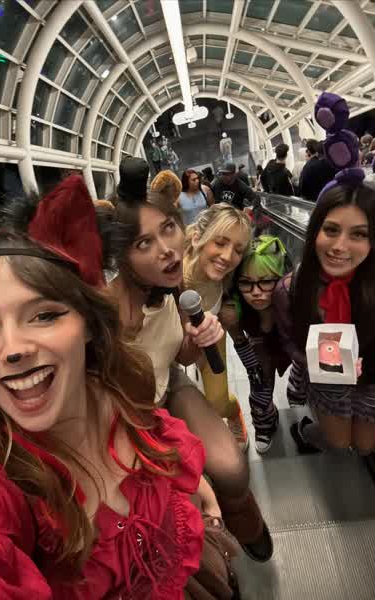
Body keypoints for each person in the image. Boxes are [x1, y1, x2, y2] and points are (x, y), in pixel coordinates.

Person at [0, 176, 225, 598]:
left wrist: (193, 491)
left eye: (43, 316)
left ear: (89, 325)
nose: (13, 349)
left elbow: (156, 441)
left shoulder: (117, 392)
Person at [105, 156, 274, 562]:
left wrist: (200, 338)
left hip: (170, 383)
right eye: (143, 243)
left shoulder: (173, 284)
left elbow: (180, 354)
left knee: (232, 469)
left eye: (168, 229)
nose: (166, 250)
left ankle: (246, 520)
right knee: (178, 501)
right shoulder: (106, 312)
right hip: (126, 414)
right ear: (122, 255)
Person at [274, 93, 375, 455]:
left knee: (366, 445)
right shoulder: (293, 288)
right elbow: (291, 339)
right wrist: (318, 361)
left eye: (359, 234)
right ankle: (310, 429)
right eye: (331, 230)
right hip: (327, 379)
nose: (340, 246)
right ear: (315, 231)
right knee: (340, 443)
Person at [183, 204, 252, 448]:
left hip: (212, 339)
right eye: (220, 243)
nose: (227, 256)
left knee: (218, 401)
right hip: (175, 345)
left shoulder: (227, 277)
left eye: (238, 250)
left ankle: (234, 414)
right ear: (197, 238)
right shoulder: (173, 275)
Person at [227, 236, 290, 453]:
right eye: (246, 282)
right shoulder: (234, 307)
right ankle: (264, 423)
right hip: (259, 343)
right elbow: (240, 341)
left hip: (292, 342)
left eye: (266, 281)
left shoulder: (291, 296)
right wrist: (257, 375)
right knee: (259, 385)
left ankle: (296, 387)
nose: (256, 291)